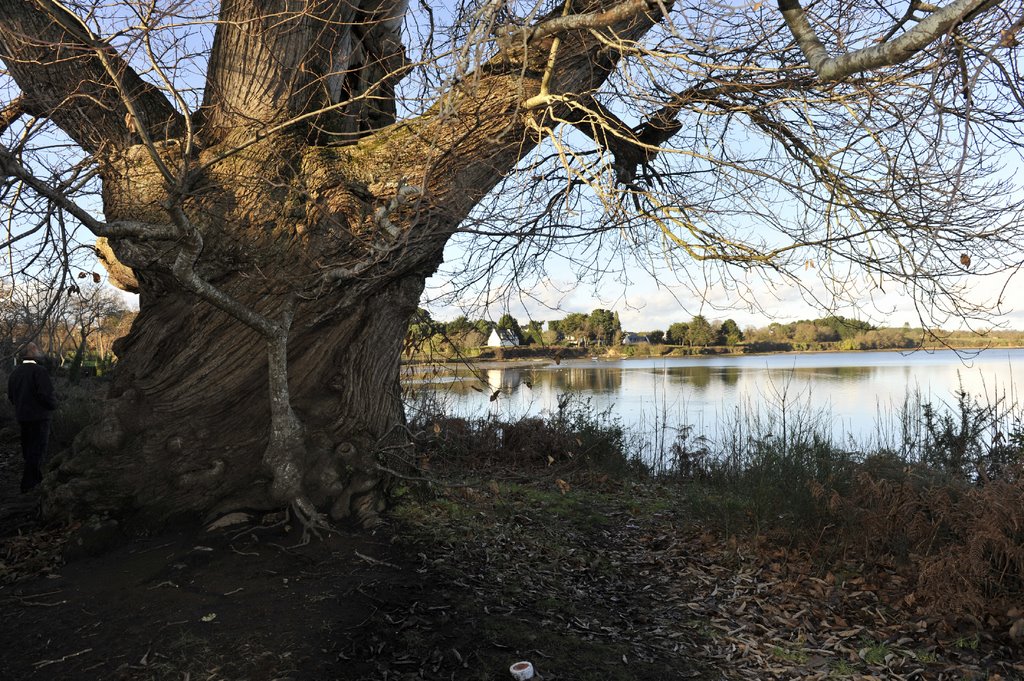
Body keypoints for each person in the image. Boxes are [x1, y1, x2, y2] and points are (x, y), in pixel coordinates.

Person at [7, 342, 58, 493]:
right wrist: (54, 405)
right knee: (37, 450)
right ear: (33, 352)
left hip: (22, 416)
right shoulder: (39, 371)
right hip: (40, 417)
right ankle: (29, 483)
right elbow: (46, 395)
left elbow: (11, 396)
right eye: (37, 348)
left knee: (28, 449)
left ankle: (35, 479)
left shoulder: (15, 373)